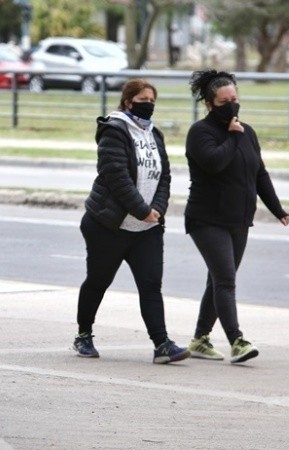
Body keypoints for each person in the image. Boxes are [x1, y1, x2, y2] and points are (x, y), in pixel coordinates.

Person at [72, 78, 191, 365]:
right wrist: (141, 209)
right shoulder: (114, 130)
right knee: (99, 280)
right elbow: (116, 176)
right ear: (128, 102)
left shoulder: (154, 135)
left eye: (152, 100)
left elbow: (164, 175)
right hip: (109, 225)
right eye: (143, 99)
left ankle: (162, 344)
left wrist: (157, 209)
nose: (148, 104)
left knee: (151, 285)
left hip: (146, 228)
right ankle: (84, 335)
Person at [184, 70, 289, 364]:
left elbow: (259, 173)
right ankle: (237, 341)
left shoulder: (248, 132)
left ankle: (200, 339)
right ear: (209, 104)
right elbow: (215, 163)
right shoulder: (200, 133)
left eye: (235, 98)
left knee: (218, 281)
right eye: (224, 101)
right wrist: (232, 136)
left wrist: (277, 208)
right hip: (206, 219)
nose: (232, 105)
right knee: (226, 281)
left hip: (238, 219)